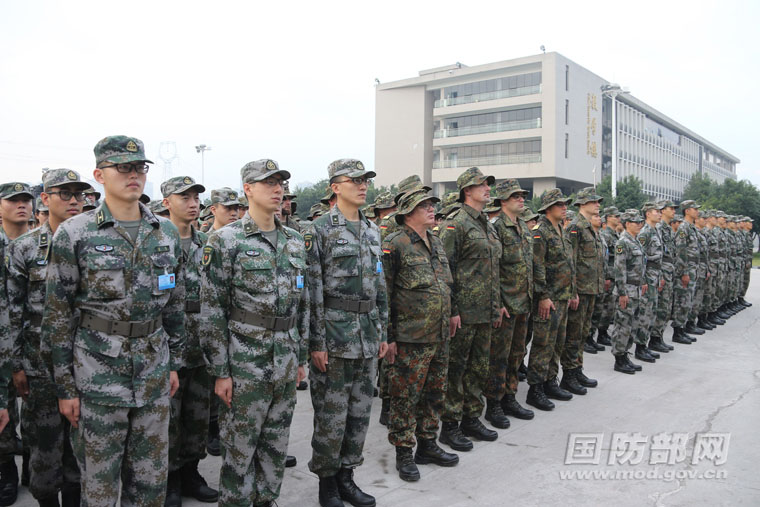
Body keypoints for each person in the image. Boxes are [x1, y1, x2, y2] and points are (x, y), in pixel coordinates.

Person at [42, 135, 186, 506]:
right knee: (100, 485)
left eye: (139, 167)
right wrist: (66, 388)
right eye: (122, 167)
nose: (133, 174)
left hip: (153, 372)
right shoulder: (75, 233)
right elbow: (58, 317)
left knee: (151, 482)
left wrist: (173, 363)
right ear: (99, 175)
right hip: (97, 376)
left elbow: (174, 307)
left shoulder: (165, 233)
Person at [201, 159, 307, 507]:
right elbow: (212, 310)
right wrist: (220, 371)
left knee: (276, 445)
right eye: (268, 183)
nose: (278, 190)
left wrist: (300, 358)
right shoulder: (224, 241)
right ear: (248, 189)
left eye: (280, 183)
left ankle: (267, 501)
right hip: (244, 363)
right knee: (239, 449)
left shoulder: (293, 241)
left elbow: (301, 304)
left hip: (285, 360)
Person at [306, 159, 389, 507]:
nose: (362, 185)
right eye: (353, 180)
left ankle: (347, 477)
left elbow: (379, 284)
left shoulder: (372, 230)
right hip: (335, 337)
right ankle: (327, 485)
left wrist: (383, 329)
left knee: (359, 413)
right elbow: (312, 291)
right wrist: (316, 343)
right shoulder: (320, 230)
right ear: (335, 187)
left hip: (367, 335)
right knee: (331, 415)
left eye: (365, 179)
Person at [7, 170, 88, 507]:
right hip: (39, 367)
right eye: (64, 194)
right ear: (46, 199)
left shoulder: (92, 243)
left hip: (85, 362)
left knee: (80, 444)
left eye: (78, 195)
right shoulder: (25, 248)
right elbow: (13, 311)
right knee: (43, 447)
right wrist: (15, 365)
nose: (73, 201)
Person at [382, 188, 459, 482]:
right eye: (424, 205)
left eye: (431, 205)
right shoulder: (395, 245)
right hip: (410, 337)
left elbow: (445, 284)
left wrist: (452, 312)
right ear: (407, 211)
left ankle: (428, 444)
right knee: (405, 396)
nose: (431, 209)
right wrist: (389, 337)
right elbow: (384, 294)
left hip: (438, 333)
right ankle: (404, 452)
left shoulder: (436, 242)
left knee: (435, 393)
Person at [159, 176, 219, 506]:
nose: (193, 202)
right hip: (168, 343)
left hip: (202, 342)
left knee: (198, 414)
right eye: (184, 196)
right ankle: (168, 478)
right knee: (169, 416)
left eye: (196, 196)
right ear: (167, 201)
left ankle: (191, 473)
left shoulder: (208, 244)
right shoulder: (156, 241)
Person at [438, 167, 504, 449]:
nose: (488, 189)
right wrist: (452, 310)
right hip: (464, 312)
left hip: (485, 311)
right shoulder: (456, 224)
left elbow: (493, 269)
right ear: (467, 191)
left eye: (488, 185)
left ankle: (471, 417)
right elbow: (444, 269)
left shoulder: (486, 224)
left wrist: (497, 305)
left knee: (479, 368)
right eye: (482, 185)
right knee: (457, 369)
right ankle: (450, 425)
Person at [482, 180, 535, 425]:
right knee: (499, 357)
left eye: (522, 196)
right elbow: (493, 269)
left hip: (524, 301)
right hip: (507, 303)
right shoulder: (496, 228)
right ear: (503, 201)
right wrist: (498, 301)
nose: (521, 199)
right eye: (516, 196)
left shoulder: (523, 226)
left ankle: (510, 396)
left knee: (517, 353)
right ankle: (493, 403)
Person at [526, 189, 575, 411]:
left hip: (563, 296)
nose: (564, 207)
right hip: (549, 298)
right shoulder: (540, 232)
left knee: (557, 343)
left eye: (565, 204)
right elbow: (537, 267)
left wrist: (572, 291)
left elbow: (567, 266)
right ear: (548, 209)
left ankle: (550, 381)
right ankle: (535, 389)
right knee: (543, 344)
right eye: (559, 204)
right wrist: (543, 296)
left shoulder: (561, 230)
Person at [0, 181, 34, 503]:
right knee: (5, 410)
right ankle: (7, 469)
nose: (21, 205)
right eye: (13, 200)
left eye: (26, 200)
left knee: (38, 412)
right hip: (2, 342)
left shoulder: (45, 244)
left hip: (35, 343)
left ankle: (33, 469)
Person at [561, 187, 604, 395]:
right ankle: (569, 374)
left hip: (590, 288)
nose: (597, 205)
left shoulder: (589, 228)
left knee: (583, 332)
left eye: (597, 202)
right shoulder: (576, 227)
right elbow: (571, 262)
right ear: (582, 204)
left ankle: (577, 369)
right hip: (580, 290)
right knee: (574, 334)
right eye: (593, 201)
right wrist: (573, 291)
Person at [610, 210, 647, 374]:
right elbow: (619, 269)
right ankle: (619, 359)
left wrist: (643, 282)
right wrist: (622, 293)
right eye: (635, 222)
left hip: (636, 289)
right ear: (626, 224)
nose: (639, 224)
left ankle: (625, 355)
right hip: (626, 290)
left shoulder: (636, 240)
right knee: (622, 326)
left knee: (632, 325)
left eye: (640, 221)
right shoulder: (623, 242)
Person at [635, 202, 666, 359]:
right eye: (656, 211)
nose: (660, 214)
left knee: (652, 311)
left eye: (661, 211)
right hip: (647, 277)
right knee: (645, 312)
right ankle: (640, 347)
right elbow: (639, 259)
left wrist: (659, 277)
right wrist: (643, 280)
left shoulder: (656, 230)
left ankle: (646, 343)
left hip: (655, 275)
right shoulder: (644, 232)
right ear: (647, 213)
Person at [671, 201, 702, 344]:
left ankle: (682, 329)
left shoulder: (692, 228)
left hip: (692, 269)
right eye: (695, 209)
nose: (697, 212)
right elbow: (680, 250)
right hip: (686, 270)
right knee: (682, 301)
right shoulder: (683, 228)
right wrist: (683, 272)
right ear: (687, 211)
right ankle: (678, 332)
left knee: (688, 301)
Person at [650, 200, 678, 349]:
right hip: (660, 273)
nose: (673, 211)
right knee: (660, 307)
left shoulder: (667, 229)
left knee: (665, 307)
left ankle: (658, 336)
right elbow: (656, 255)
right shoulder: (659, 228)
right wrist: (660, 275)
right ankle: (654, 339)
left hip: (668, 272)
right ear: (662, 210)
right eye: (671, 208)